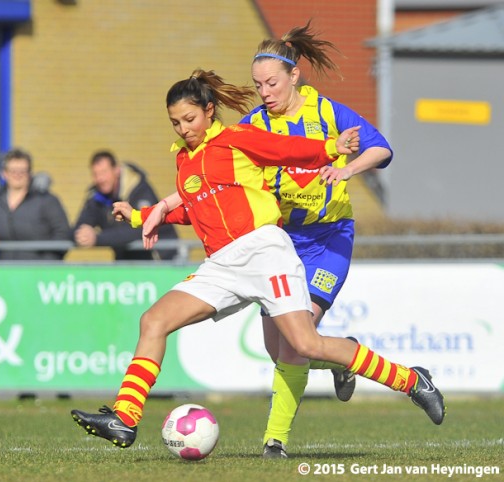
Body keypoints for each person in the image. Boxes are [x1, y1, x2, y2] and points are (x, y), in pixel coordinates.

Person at [69, 69, 444, 450]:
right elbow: (198, 210)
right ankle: (124, 418)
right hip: (221, 265)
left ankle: (412, 381)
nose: (183, 129)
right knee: (153, 320)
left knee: (306, 345)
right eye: (175, 122)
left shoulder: (235, 139)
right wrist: (139, 215)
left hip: (265, 253)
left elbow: (286, 150)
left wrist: (332, 149)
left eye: (189, 119)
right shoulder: (185, 161)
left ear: (210, 111)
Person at [140, 23, 395, 459]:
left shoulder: (326, 112)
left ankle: (274, 441)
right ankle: (342, 357)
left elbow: (381, 149)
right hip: (281, 240)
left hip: (329, 235)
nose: (264, 92)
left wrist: (347, 168)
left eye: (271, 82)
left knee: (301, 339)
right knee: (281, 347)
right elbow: (215, 178)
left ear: (294, 76)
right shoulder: (255, 123)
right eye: (258, 85)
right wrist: (163, 205)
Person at [73, 150, 179, 260]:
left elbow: (141, 229)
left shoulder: (139, 189)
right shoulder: (96, 196)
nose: (100, 179)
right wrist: (82, 235)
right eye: (95, 174)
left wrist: (97, 238)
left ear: (117, 170)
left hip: (161, 259)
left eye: (104, 172)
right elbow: (79, 226)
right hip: (126, 262)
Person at [0, 147, 71, 260]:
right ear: (3, 173)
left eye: (22, 171)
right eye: (13, 171)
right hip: (5, 272)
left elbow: (63, 234)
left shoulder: (47, 200)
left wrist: (47, 263)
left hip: (40, 273)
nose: (17, 175)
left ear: (30, 173)